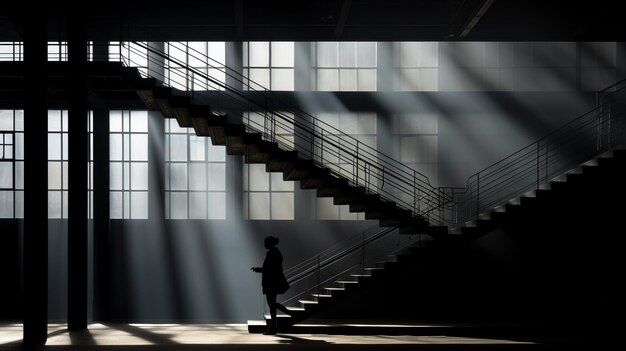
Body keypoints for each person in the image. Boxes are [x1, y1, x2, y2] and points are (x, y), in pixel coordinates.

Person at [251, 235, 290, 335]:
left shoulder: (273, 253)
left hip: (272, 282)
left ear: (269, 244)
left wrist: (260, 270)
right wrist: (260, 270)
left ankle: (275, 326)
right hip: (272, 282)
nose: (264, 245)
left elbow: (270, 269)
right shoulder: (274, 253)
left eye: (265, 243)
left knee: (271, 304)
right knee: (272, 304)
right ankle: (273, 327)